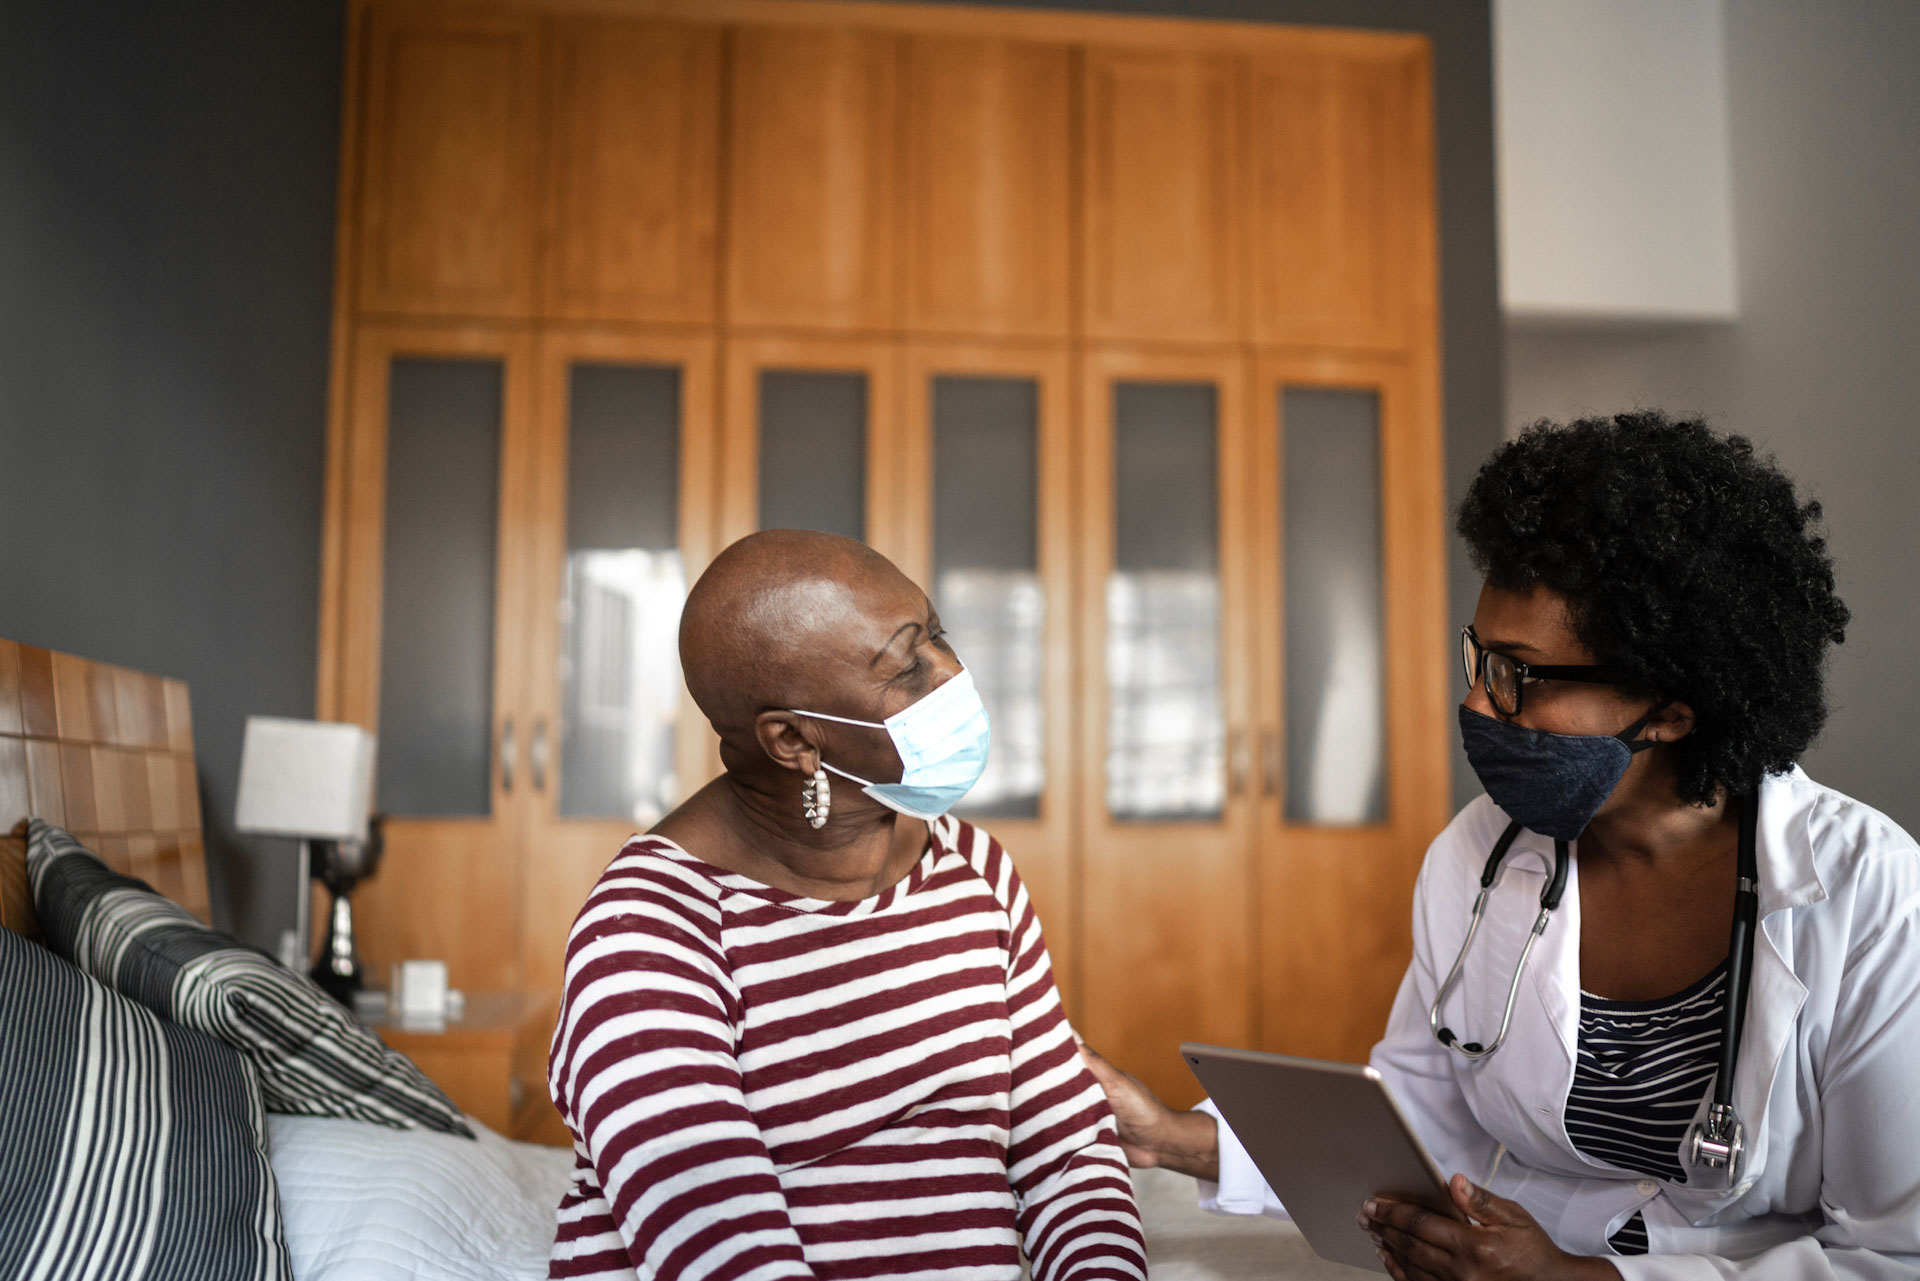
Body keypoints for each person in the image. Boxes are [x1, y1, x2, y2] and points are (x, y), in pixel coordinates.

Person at [1084, 412, 1920, 1279]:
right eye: (1479, 659)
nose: (1482, 706)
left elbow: (1895, 1253)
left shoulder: (1871, 898)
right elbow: (1415, 1122)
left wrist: (1577, 1279)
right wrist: (1176, 1138)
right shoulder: (1477, 855)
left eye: (1519, 675)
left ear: (1674, 706)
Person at [546, 529, 1146, 1281]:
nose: (954, 673)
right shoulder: (648, 927)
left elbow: (1068, 1155)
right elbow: (720, 1245)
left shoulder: (976, 871)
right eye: (907, 666)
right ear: (795, 738)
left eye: (938, 633)